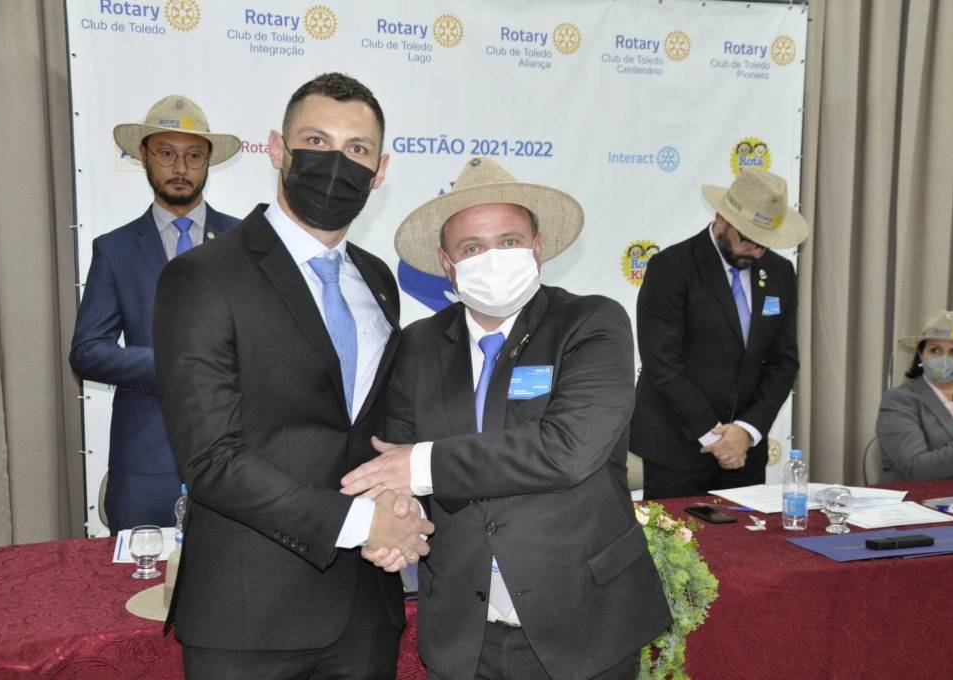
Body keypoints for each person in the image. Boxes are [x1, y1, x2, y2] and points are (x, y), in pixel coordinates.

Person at [341, 157, 671, 680]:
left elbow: (566, 450)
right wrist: (395, 516)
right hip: (462, 631)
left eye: (509, 241)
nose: (493, 258)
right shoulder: (419, 345)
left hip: (582, 626)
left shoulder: (592, 323)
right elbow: (394, 459)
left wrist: (422, 467)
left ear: (537, 246)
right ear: (447, 263)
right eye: (472, 248)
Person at [152, 73, 434, 679]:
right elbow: (211, 460)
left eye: (357, 149)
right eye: (317, 141)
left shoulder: (378, 279)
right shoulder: (203, 276)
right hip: (248, 616)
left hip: (365, 609)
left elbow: (372, 428)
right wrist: (362, 523)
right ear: (278, 149)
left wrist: (398, 502)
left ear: (380, 170)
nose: (336, 163)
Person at [69, 95, 242, 532]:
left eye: (193, 155)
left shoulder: (245, 243)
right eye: (166, 153)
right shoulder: (115, 249)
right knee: (133, 575)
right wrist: (170, 365)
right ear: (144, 156)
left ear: (208, 162)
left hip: (238, 457)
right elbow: (88, 351)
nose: (180, 167)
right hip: (145, 462)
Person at [631, 168, 809, 499]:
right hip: (676, 449)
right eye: (748, 239)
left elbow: (783, 363)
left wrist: (745, 430)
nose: (756, 251)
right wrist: (716, 437)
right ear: (722, 219)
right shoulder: (672, 267)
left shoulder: (780, 273)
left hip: (745, 451)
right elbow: (662, 364)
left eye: (764, 243)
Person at [876, 310, 953, 481]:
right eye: (935, 350)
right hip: (917, 495)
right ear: (921, 355)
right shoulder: (899, 401)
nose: (944, 360)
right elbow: (915, 469)